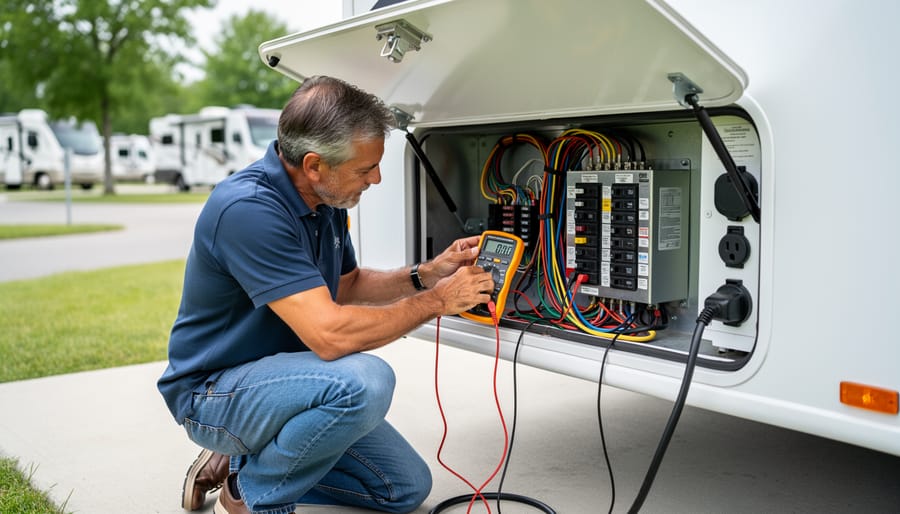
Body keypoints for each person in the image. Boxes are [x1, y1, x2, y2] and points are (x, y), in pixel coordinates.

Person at [157, 75, 494, 514]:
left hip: (284, 383)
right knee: (366, 382)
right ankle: (251, 493)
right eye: (364, 168)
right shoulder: (249, 210)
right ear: (314, 165)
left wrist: (427, 275)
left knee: (403, 489)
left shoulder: (324, 201)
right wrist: (438, 302)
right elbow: (329, 336)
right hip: (213, 392)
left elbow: (346, 285)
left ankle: (250, 456)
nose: (375, 178)